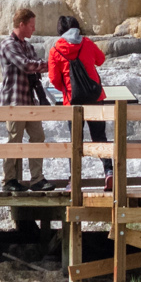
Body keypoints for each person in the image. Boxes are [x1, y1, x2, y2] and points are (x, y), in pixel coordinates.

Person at [46, 13, 108, 185]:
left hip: (72, 101)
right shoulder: (86, 43)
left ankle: (75, 179)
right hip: (95, 97)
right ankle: (109, 172)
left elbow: (54, 78)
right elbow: (101, 60)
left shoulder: (56, 50)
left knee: (76, 141)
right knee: (100, 136)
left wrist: (67, 90)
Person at [0, 5, 50, 192]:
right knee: (14, 139)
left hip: (29, 99)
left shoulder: (28, 45)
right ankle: (9, 180)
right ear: (22, 24)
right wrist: (51, 65)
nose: (34, 29)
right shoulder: (8, 45)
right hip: (14, 100)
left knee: (38, 136)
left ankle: (37, 179)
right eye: (31, 25)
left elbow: (34, 70)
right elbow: (26, 65)